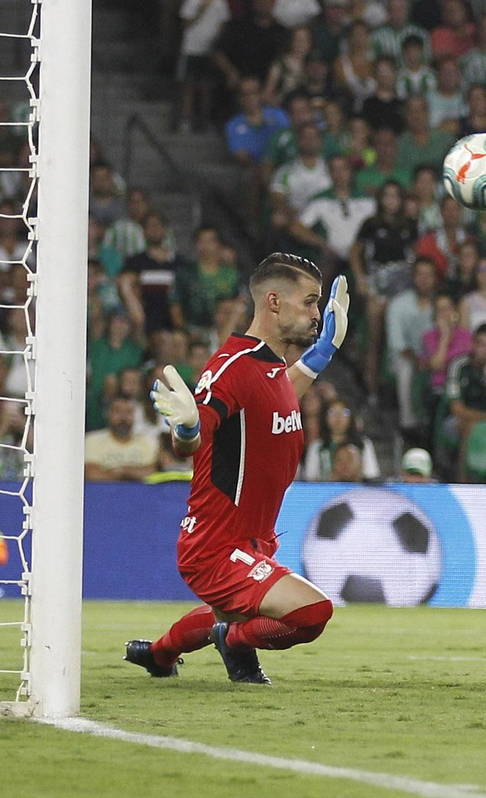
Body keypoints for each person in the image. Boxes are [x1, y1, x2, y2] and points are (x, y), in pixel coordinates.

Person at [124, 255, 350, 685]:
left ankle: (159, 654)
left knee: (227, 613)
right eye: (310, 302)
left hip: (250, 538)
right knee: (311, 612)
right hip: (218, 544)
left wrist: (323, 354)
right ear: (274, 302)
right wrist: (189, 427)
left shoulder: (267, 366)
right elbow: (190, 437)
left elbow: (277, 394)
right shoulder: (231, 366)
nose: (317, 315)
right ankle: (236, 642)